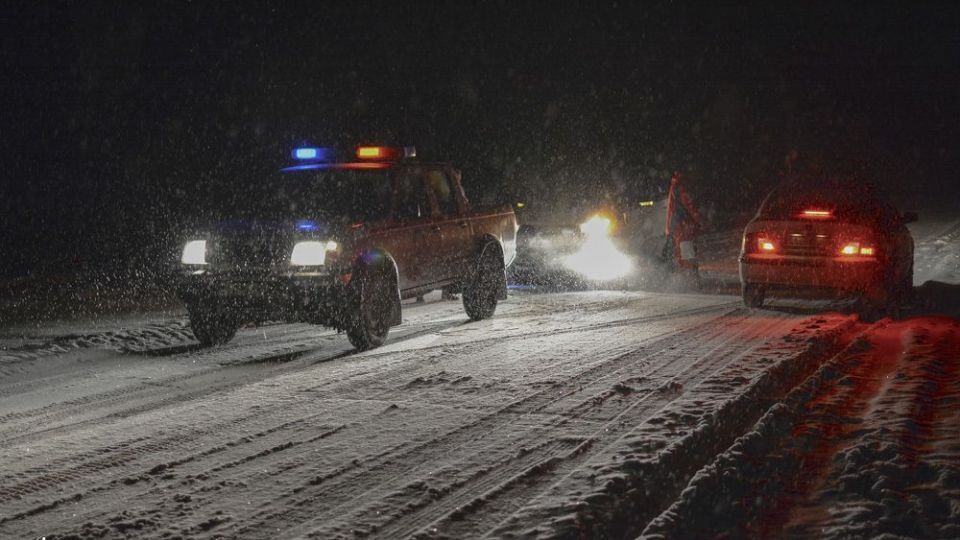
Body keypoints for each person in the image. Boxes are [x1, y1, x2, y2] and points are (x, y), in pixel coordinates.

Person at [663, 171, 703, 270]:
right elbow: (689, 205)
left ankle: (683, 275)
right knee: (687, 253)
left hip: (677, 225)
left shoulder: (674, 185)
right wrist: (700, 220)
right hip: (683, 225)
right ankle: (690, 277)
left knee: (680, 252)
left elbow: (670, 209)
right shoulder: (681, 186)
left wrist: (668, 228)